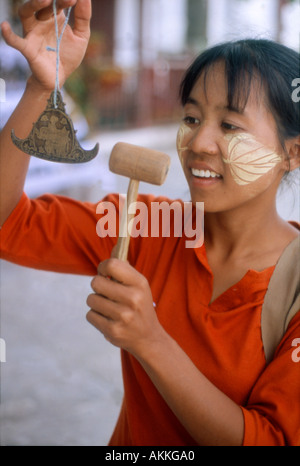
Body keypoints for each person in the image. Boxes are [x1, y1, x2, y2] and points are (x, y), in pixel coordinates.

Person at [0, 0, 299, 447]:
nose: (199, 142)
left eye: (231, 126)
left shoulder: (293, 288)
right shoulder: (148, 225)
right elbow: (10, 222)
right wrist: (43, 89)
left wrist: (150, 340)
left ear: (292, 153)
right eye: (192, 118)